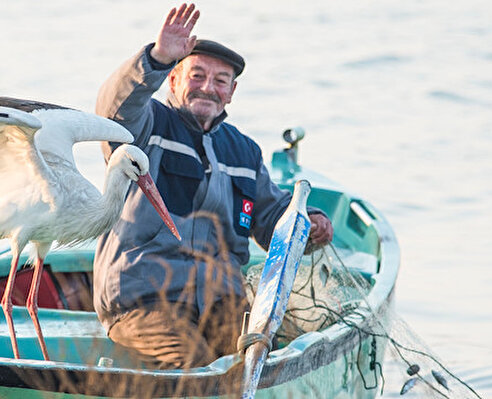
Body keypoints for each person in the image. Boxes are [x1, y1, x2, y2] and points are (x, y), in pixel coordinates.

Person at [93, 3, 333, 369]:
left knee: (260, 361)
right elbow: (114, 108)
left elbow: (271, 218)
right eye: (197, 75)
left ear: (231, 92)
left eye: (220, 80)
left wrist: (311, 223)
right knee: (195, 368)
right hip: (145, 302)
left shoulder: (244, 151)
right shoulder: (146, 126)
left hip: (222, 304)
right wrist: (156, 58)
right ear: (173, 80)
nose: (208, 87)